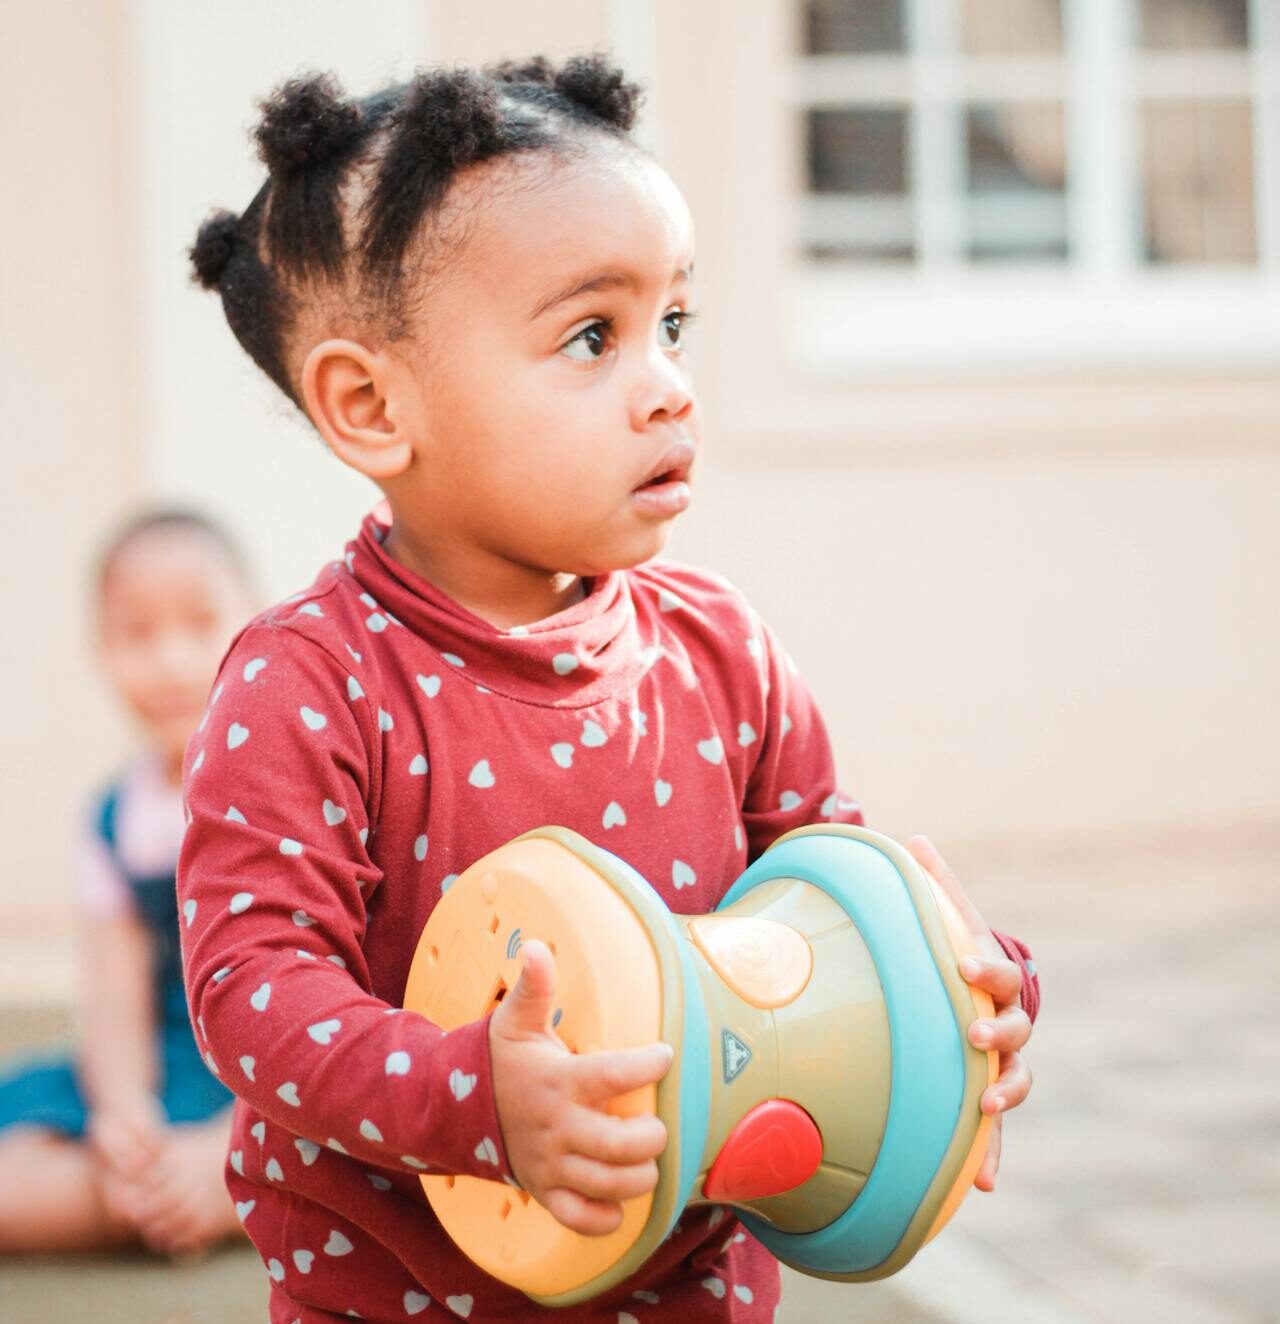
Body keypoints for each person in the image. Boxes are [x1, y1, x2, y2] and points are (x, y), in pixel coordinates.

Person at [179, 55, 1039, 1322]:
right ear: (370, 406)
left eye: (671, 324)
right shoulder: (310, 681)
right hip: (402, 1296)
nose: (668, 385)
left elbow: (832, 915)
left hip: (689, 1291)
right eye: (593, 336)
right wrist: (474, 1093)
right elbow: (251, 985)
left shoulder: (719, 651)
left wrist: (968, 987)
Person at [0, 510, 257, 1257]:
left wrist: (228, 1136)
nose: (172, 660)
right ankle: (171, 1192)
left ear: (260, 625)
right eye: (138, 634)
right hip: (169, 1063)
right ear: (101, 653)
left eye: (201, 622)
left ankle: (232, 1178)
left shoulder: (292, 787)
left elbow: (341, 987)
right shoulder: (117, 819)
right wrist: (123, 1115)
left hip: (284, 1075)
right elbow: (115, 1000)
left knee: (380, 1133)